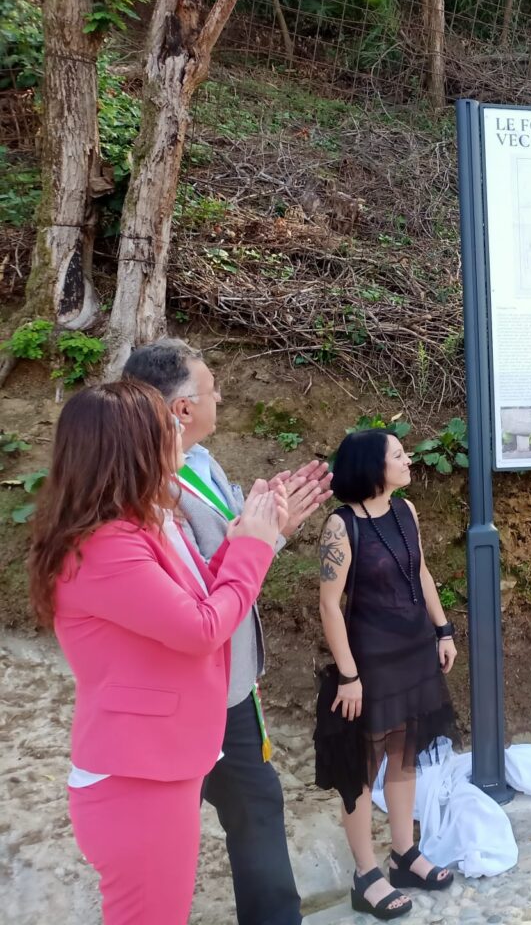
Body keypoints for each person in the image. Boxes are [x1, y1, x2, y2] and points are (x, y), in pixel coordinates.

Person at [28, 382, 287, 925]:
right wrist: (253, 548)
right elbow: (199, 627)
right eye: (164, 423)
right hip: (136, 778)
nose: (177, 427)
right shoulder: (104, 545)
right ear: (132, 445)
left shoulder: (146, 521)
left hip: (160, 763)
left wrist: (253, 536)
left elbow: (200, 596)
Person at [123, 338, 331, 925]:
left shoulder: (202, 462)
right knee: (168, 838)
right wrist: (262, 535)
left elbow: (237, 552)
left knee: (256, 805)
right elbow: (208, 578)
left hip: (232, 686)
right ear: (184, 408)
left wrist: (275, 527)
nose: (222, 397)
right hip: (179, 692)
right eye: (212, 389)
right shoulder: (144, 487)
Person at [316, 429, 460, 921]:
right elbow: (329, 606)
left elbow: (421, 573)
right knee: (360, 770)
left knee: (405, 754)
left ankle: (404, 855)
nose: (407, 459)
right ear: (372, 467)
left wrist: (443, 630)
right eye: (397, 455)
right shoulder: (341, 526)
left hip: (414, 653)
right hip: (368, 663)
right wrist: (348, 675)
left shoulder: (407, 512)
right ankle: (365, 874)